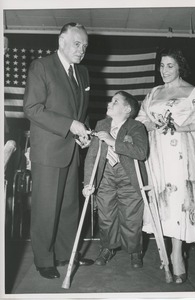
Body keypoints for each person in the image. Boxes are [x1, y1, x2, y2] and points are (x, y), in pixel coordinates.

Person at [136, 48, 195, 283]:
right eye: (162, 66)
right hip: (157, 156)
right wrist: (152, 125)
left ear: (180, 67)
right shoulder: (154, 92)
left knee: (179, 201)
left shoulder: (193, 93)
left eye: (170, 66)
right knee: (164, 201)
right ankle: (169, 250)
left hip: (183, 154)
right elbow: (141, 119)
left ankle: (176, 255)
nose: (164, 70)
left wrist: (181, 127)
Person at [23, 23, 93, 279]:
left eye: (85, 46)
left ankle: (67, 253)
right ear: (62, 41)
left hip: (72, 150)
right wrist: (69, 125)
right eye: (77, 43)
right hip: (48, 151)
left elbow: (80, 112)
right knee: (46, 208)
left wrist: (83, 132)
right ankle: (44, 259)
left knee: (69, 207)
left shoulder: (83, 73)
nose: (82, 49)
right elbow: (31, 108)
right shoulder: (41, 67)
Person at [83, 91, 148, 268]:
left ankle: (134, 250)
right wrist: (88, 182)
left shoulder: (136, 127)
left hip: (128, 176)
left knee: (131, 216)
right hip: (105, 175)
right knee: (105, 214)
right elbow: (92, 156)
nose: (110, 103)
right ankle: (108, 247)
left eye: (115, 101)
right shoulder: (102, 124)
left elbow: (141, 152)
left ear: (127, 109)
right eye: (111, 101)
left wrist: (113, 142)